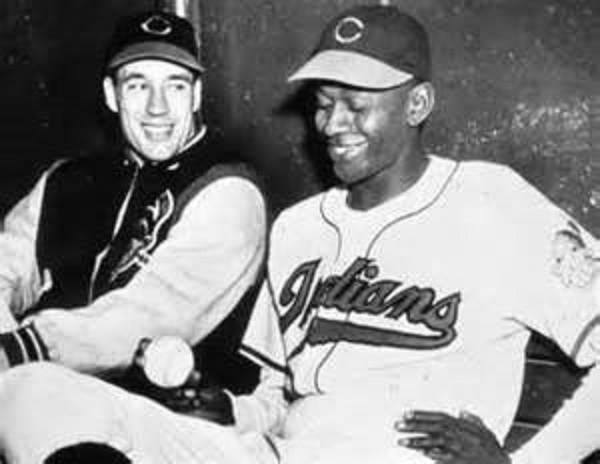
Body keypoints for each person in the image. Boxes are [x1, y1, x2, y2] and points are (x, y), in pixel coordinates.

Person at [0, 4, 598, 464]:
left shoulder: (490, 200)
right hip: (280, 455)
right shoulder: (300, 229)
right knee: (30, 395)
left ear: (417, 104)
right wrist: (226, 410)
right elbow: (275, 399)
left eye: (356, 104)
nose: (333, 124)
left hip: (394, 455)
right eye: (322, 103)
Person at [0, 9, 266, 462]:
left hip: (180, 428)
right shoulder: (68, 180)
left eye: (176, 86)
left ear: (197, 93)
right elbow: (6, 263)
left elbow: (138, 320)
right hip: (59, 410)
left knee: (30, 394)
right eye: (138, 85)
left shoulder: (228, 191)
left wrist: (15, 351)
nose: (157, 107)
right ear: (111, 94)